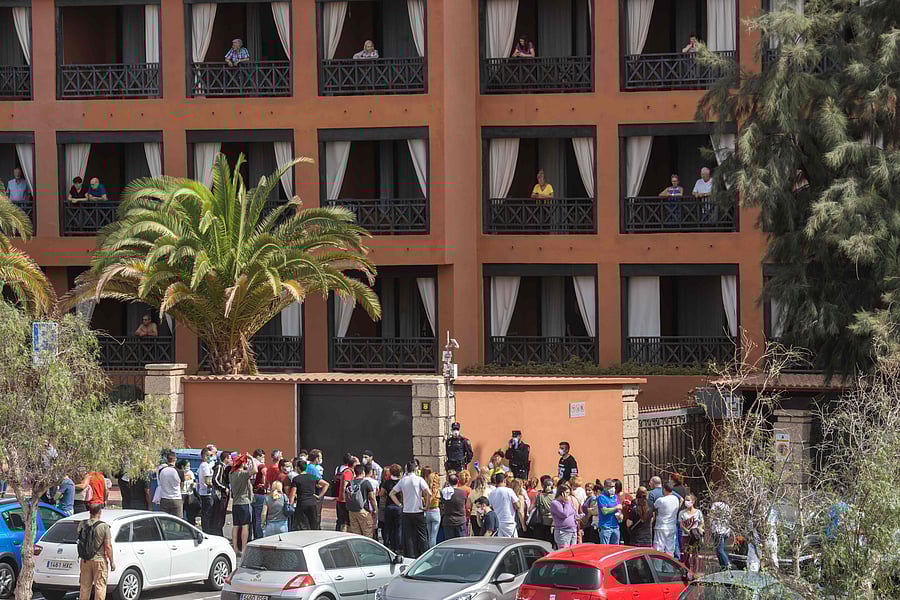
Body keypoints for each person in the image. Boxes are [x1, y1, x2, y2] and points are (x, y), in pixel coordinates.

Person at [389, 460, 431, 558]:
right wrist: (426, 506)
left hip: (407, 511)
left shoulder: (403, 480)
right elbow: (428, 493)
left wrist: (400, 504)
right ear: (416, 469)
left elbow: (392, 493)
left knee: (408, 536)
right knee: (422, 536)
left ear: (407, 469)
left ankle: (410, 556)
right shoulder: (419, 480)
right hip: (418, 510)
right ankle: (425, 556)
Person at [77, 503, 115, 600]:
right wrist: (112, 562)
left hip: (85, 560)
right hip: (99, 560)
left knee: (84, 587)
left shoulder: (82, 524)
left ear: (89, 512)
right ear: (100, 512)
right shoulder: (104, 526)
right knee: (100, 586)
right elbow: (108, 546)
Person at [291, 459, 328, 531]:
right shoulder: (312, 477)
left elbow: (293, 494)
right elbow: (326, 484)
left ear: (298, 468)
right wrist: (319, 496)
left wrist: (291, 504)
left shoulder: (296, 479)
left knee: (302, 525)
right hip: (312, 503)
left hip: (302, 503)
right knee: (313, 524)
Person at [230, 454, 253, 554]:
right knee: (245, 526)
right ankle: (243, 548)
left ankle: (235, 548)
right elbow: (255, 471)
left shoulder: (231, 474)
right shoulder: (243, 474)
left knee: (235, 526)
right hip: (244, 502)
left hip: (235, 503)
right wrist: (251, 459)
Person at [346, 464, 376, 538]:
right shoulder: (366, 483)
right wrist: (374, 509)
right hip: (363, 511)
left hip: (352, 511)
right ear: (363, 472)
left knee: (356, 534)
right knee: (367, 533)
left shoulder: (350, 483)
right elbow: (372, 498)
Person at [487, 473, 519, 538]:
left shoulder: (492, 493)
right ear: (504, 481)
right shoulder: (509, 491)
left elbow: (490, 507)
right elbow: (517, 505)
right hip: (509, 522)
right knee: (513, 543)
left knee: (500, 543)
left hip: (498, 522)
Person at [653, 484, 681, 556]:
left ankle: (657, 567)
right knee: (670, 549)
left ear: (664, 489)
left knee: (659, 549)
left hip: (661, 526)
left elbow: (654, 507)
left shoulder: (661, 500)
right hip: (672, 527)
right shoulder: (676, 499)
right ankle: (669, 566)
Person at [380, 464, 403, 552]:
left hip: (389, 506)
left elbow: (381, 493)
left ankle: (386, 544)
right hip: (398, 506)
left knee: (387, 527)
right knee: (398, 528)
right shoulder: (401, 482)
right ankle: (397, 546)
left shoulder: (387, 482)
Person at [679, 494, 704, 572]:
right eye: (686, 500)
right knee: (686, 554)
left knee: (695, 555)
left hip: (695, 537)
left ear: (693, 501)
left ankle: (695, 572)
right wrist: (686, 530)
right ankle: (687, 571)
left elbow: (702, 522)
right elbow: (681, 524)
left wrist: (699, 528)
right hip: (685, 536)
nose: (686, 502)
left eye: (688, 500)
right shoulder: (682, 513)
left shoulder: (698, 512)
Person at [440, 472, 469, 540]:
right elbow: (466, 504)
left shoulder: (444, 493)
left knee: (449, 543)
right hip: (460, 521)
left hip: (448, 521)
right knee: (461, 542)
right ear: (458, 481)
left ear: (448, 482)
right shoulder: (463, 493)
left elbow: (442, 504)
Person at [595, 479, 623, 544]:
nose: (613, 488)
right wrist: (616, 507)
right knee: (605, 549)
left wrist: (620, 515)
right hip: (606, 527)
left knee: (615, 549)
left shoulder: (615, 497)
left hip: (615, 526)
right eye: (611, 487)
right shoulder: (602, 497)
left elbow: (618, 509)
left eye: (614, 486)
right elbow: (604, 511)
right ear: (605, 487)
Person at [334, 454, 357, 532]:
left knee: (343, 520)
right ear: (354, 464)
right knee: (345, 521)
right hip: (344, 501)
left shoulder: (348, 471)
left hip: (342, 500)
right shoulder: (348, 472)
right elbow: (345, 486)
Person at [550, 483, 577, 549]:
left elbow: (574, 512)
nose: (568, 495)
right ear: (562, 493)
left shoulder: (568, 502)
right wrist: (566, 502)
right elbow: (564, 514)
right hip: (563, 532)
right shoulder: (555, 503)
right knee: (565, 553)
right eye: (567, 493)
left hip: (572, 530)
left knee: (573, 552)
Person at [211, 451, 231, 537]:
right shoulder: (219, 466)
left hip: (223, 494)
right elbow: (215, 480)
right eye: (229, 458)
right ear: (226, 458)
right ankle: (217, 533)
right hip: (220, 495)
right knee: (219, 514)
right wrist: (224, 488)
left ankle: (219, 532)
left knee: (221, 514)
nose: (230, 460)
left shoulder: (224, 467)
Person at [157, 452, 182, 518]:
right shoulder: (179, 471)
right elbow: (182, 485)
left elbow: (160, 481)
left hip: (164, 498)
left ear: (167, 459)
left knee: (164, 521)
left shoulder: (161, 470)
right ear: (175, 459)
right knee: (178, 521)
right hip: (176, 498)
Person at [709, 499, 732, 569]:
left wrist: (711, 527)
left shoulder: (715, 504)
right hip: (726, 530)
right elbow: (729, 518)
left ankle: (727, 564)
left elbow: (711, 516)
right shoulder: (727, 506)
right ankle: (723, 567)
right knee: (719, 550)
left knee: (720, 550)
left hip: (718, 531)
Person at [422, 467, 441, 548]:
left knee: (429, 535)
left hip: (427, 512)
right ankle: (433, 550)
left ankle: (428, 550)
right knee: (434, 536)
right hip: (435, 511)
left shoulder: (425, 490)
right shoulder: (437, 490)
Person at [532, 476, 554, 544]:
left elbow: (532, 507)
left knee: (540, 541)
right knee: (549, 542)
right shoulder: (554, 497)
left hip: (540, 520)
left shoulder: (538, 495)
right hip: (551, 522)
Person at [177, 459, 200, 526]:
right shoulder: (179, 473)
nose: (188, 467)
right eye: (187, 466)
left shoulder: (190, 473)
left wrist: (194, 484)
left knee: (191, 513)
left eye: (189, 466)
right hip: (182, 494)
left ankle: (191, 525)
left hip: (190, 494)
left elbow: (194, 480)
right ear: (182, 466)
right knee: (181, 512)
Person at [197, 446, 214, 533]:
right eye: (208, 455)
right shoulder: (205, 466)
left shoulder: (202, 465)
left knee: (205, 514)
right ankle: (207, 532)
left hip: (203, 493)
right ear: (203, 456)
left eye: (210, 455)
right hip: (207, 494)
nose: (209, 457)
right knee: (207, 515)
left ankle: (206, 531)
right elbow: (207, 481)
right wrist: (214, 486)